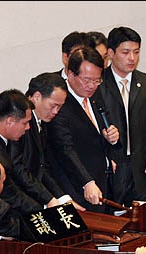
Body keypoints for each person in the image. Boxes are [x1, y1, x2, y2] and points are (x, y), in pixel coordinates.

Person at [96, 26, 146, 205]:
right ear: (111, 53)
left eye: (136, 52)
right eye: (126, 52)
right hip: (111, 172)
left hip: (143, 170)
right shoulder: (97, 85)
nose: (132, 58)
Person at [46, 47, 120, 213]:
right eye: (87, 80)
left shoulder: (95, 96)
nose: (92, 86)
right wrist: (87, 182)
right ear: (71, 74)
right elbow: (65, 150)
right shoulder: (60, 105)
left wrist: (111, 140)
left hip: (104, 184)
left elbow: (97, 134)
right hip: (77, 190)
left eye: (97, 80)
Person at [8, 72, 84, 212]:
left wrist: (62, 198)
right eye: (53, 105)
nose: (56, 112)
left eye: (60, 107)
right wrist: (49, 199)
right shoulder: (20, 122)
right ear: (37, 97)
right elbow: (17, 168)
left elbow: (42, 167)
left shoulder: (41, 122)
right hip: (17, 203)